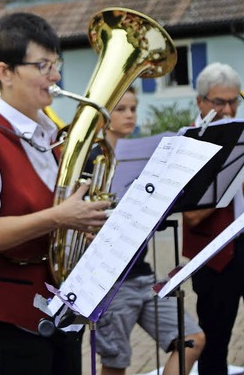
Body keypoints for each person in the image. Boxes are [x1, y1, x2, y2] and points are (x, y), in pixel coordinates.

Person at [0, 11, 111, 375]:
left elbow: (52, 223)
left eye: (56, 65)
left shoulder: (51, 139)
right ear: (5, 72)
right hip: (2, 324)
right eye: (42, 66)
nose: (55, 77)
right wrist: (59, 217)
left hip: (54, 314)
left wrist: (82, 225)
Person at [89, 87, 205, 375]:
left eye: (133, 108)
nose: (130, 115)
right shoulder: (93, 160)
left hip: (143, 273)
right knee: (116, 363)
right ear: (104, 116)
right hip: (110, 282)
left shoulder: (141, 157)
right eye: (121, 109)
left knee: (192, 338)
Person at [182, 62, 244, 375]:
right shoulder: (187, 143)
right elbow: (192, 216)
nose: (230, 109)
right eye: (220, 102)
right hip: (213, 254)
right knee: (215, 342)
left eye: (235, 101)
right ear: (201, 102)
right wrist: (231, 177)